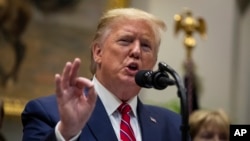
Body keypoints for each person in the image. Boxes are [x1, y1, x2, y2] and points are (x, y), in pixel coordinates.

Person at [21, 8, 185, 141]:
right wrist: (67, 132)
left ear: (154, 61)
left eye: (146, 46)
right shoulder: (47, 113)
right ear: (98, 52)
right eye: (125, 41)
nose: (136, 51)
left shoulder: (172, 125)